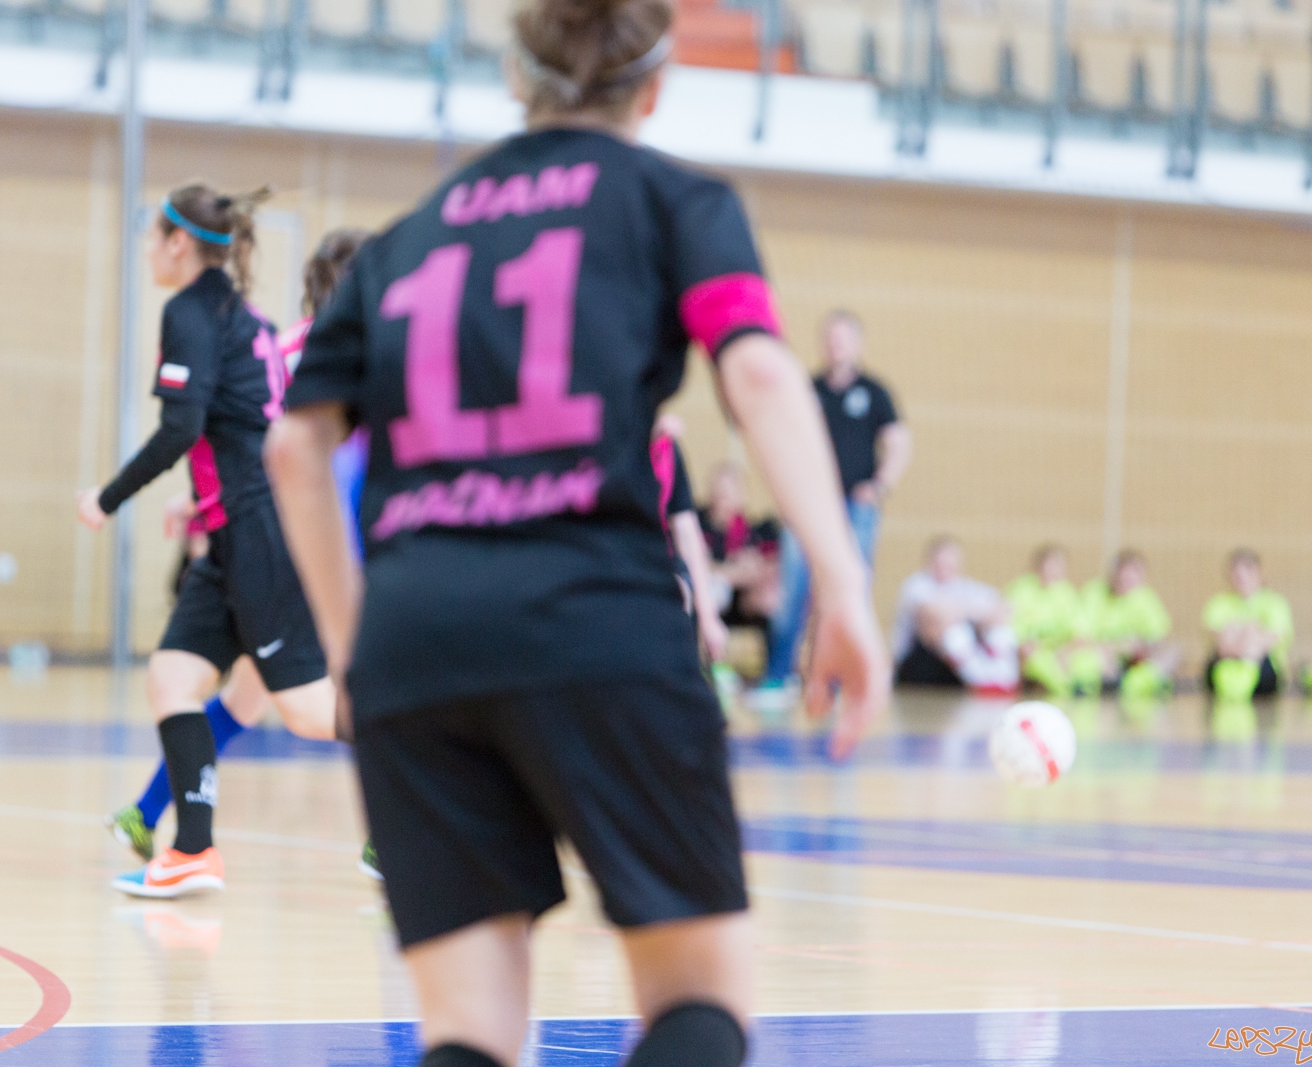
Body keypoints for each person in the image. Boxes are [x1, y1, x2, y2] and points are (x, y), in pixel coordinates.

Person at [265, 4, 892, 1063]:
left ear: (516, 76)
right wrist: (843, 586)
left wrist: (353, 647)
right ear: (654, 86)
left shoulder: (409, 235)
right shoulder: (672, 200)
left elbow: (294, 448)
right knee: (696, 1001)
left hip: (417, 638)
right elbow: (755, 370)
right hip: (594, 614)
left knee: (467, 1030)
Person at [77, 183, 341, 899]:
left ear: (178, 243)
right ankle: (192, 848)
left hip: (260, 535)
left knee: (312, 714)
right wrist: (197, 509)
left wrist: (106, 499)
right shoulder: (243, 316)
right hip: (232, 534)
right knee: (172, 679)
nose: (149, 251)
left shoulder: (190, 312)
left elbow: (182, 428)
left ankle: (441, 745)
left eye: (153, 237)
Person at [756, 309, 911, 707]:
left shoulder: (875, 392)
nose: (836, 344)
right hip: (807, 506)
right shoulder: (807, 389)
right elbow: (782, 438)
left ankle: (839, 681)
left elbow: (897, 443)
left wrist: (880, 486)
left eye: (843, 337)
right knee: (793, 591)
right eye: (830, 337)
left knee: (848, 591)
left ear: (857, 343)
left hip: (856, 509)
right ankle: (779, 679)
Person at [892, 535, 1018, 694]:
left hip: (952, 670)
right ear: (930, 562)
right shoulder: (916, 584)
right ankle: (980, 679)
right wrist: (974, 613)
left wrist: (968, 613)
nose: (945, 568)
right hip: (917, 663)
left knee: (1000, 631)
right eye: (940, 563)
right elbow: (932, 614)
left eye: (950, 563)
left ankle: (1001, 678)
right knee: (951, 630)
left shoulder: (965, 587)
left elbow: (1004, 608)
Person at [651, 413, 729, 665]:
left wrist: (708, 616)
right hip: (603, 560)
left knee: (679, 590)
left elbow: (686, 529)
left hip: (655, 558)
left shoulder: (668, 448)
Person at [1005, 544, 1100, 698]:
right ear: (1037, 567)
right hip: (1036, 652)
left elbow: (1081, 634)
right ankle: (1068, 692)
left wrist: (1065, 652)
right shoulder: (1021, 590)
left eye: (1057, 567)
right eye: (1047, 566)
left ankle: (1083, 692)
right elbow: (1012, 630)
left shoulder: (1067, 593)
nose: (1051, 572)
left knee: (1088, 660)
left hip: (1062, 650)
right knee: (1039, 663)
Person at [699, 461, 780, 639]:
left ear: (742, 495)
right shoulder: (698, 525)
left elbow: (763, 567)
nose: (723, 498)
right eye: (720, 492)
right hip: (707, 595)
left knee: (772, 595)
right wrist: (730, 572)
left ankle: (777, 662)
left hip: (743, 599)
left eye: (729, 493)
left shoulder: (754, 532)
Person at [1083, 548, 1177, 699]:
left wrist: (1142, 648)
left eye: (1131, 577)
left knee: (1171, 654)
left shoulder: (1146, 598)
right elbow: (1083, 635)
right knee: (1088, 658)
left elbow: (1158, 638)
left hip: (1136, 662)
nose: (1125, 581)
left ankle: (1136, 685)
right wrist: (1117, 646)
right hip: (1106, 657)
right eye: (1122, 575)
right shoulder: (1095, 593)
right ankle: (1117, 686)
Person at [1202, 548, 1293, 701]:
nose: (1241, 579)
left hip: (1262, 668)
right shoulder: (1218, 603)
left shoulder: (1274, 603)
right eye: (1236, 574)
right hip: (1227, 660)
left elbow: (1271, 639)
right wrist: (1239, 646)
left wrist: (1248, 640)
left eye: (1246, 573)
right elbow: (1219, 640)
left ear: (1258, 573)